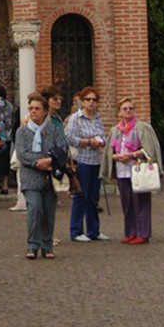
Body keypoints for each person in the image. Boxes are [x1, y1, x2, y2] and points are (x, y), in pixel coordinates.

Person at [101, 98, 164, 245]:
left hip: (138, 170)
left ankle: (143, 233)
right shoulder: (115, 130)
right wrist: (116, 157)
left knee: (141, 203)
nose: (128, 111)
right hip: (122, 171)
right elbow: (110, 151)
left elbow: (149, 149)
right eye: (125, 109)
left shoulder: (142, 128)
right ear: (119, 112)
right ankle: (130, 232)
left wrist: (131, 155)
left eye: (131, 108)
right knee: (127, 203)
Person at [16, 94, 67, 259]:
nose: (33, 111)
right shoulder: (22, 131)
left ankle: (47, 245)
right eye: (31, 108)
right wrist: (38, 161)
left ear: (45, 111)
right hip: (30, 175)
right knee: (35, 208)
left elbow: (62, 149)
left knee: (48, 211)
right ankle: (32, 244)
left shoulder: (52, 130)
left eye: (37, 109)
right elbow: (22, 153)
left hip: (50, 175)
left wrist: (50, 160)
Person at [65, 86, 110, 242]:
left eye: (94, 100)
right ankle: (76, 231)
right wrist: (89, 141)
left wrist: (101, 141)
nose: (91, 102)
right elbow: (70, 138)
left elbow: (104, 136)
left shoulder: (97, 118)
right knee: (81, 195)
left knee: (93, 197)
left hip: (96, 160)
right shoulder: (76, 119)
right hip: (82, 160)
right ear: (82, 101)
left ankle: (94, 230)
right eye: (88, 99)